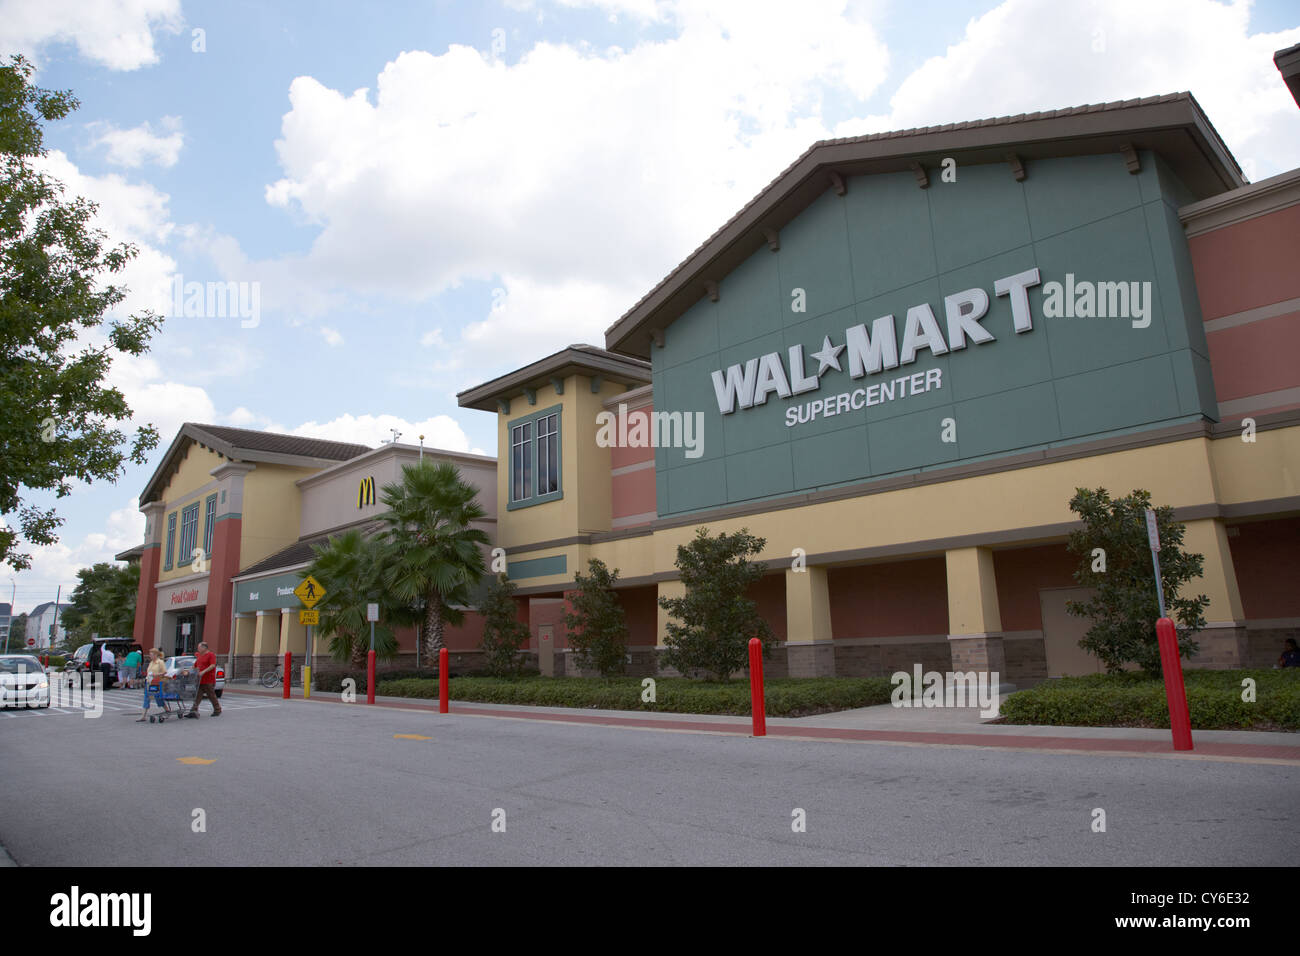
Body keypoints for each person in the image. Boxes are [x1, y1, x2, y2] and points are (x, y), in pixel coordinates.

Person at [185, 641, 222, 717]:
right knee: (197, 695)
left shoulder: (211, 655)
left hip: (208, 679)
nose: (198, 649)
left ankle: (217, 709)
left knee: (211, 695)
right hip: (200, 680)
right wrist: (189, 671)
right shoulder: (199, 655)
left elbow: (212, 665)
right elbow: (195, 665)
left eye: (199, 647)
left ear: (204, 648)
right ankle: (193, 710)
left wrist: (203, 672)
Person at [137, 648, 168, 721]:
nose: (150, 656)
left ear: (155, 655)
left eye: (151, 654)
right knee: (147, 697)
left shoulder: (160, 662)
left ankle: (166, 709)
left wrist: (155, 675)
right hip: (149, 682)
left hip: (157, 682)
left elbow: (164, 672)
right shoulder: (151, 663)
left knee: (158, 697)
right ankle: (143, 715)